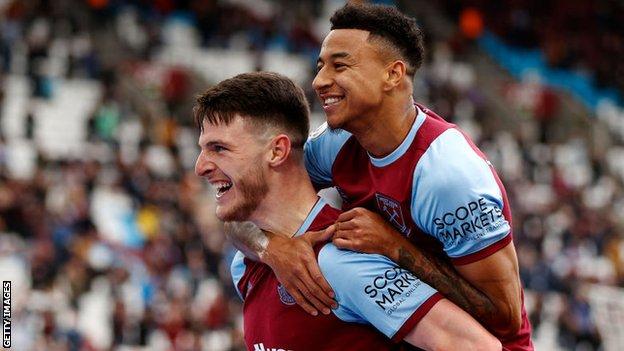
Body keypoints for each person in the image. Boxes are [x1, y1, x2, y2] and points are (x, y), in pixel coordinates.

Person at [227, 3, 533, 350]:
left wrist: (393, 247)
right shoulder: (336, 143)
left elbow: (504, 316)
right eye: (320, 66)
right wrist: (272, 249)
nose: (319, 81)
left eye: (339, 65)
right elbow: (241, 206)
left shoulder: (445, 174)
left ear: (393, 74)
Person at [194, 71, 501, 350]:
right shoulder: (246, 263)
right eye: (203, 148)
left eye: (219, 149)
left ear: (278, 151)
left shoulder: (341, 259)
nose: (200, 167)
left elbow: (479, 347)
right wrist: (267, 247)